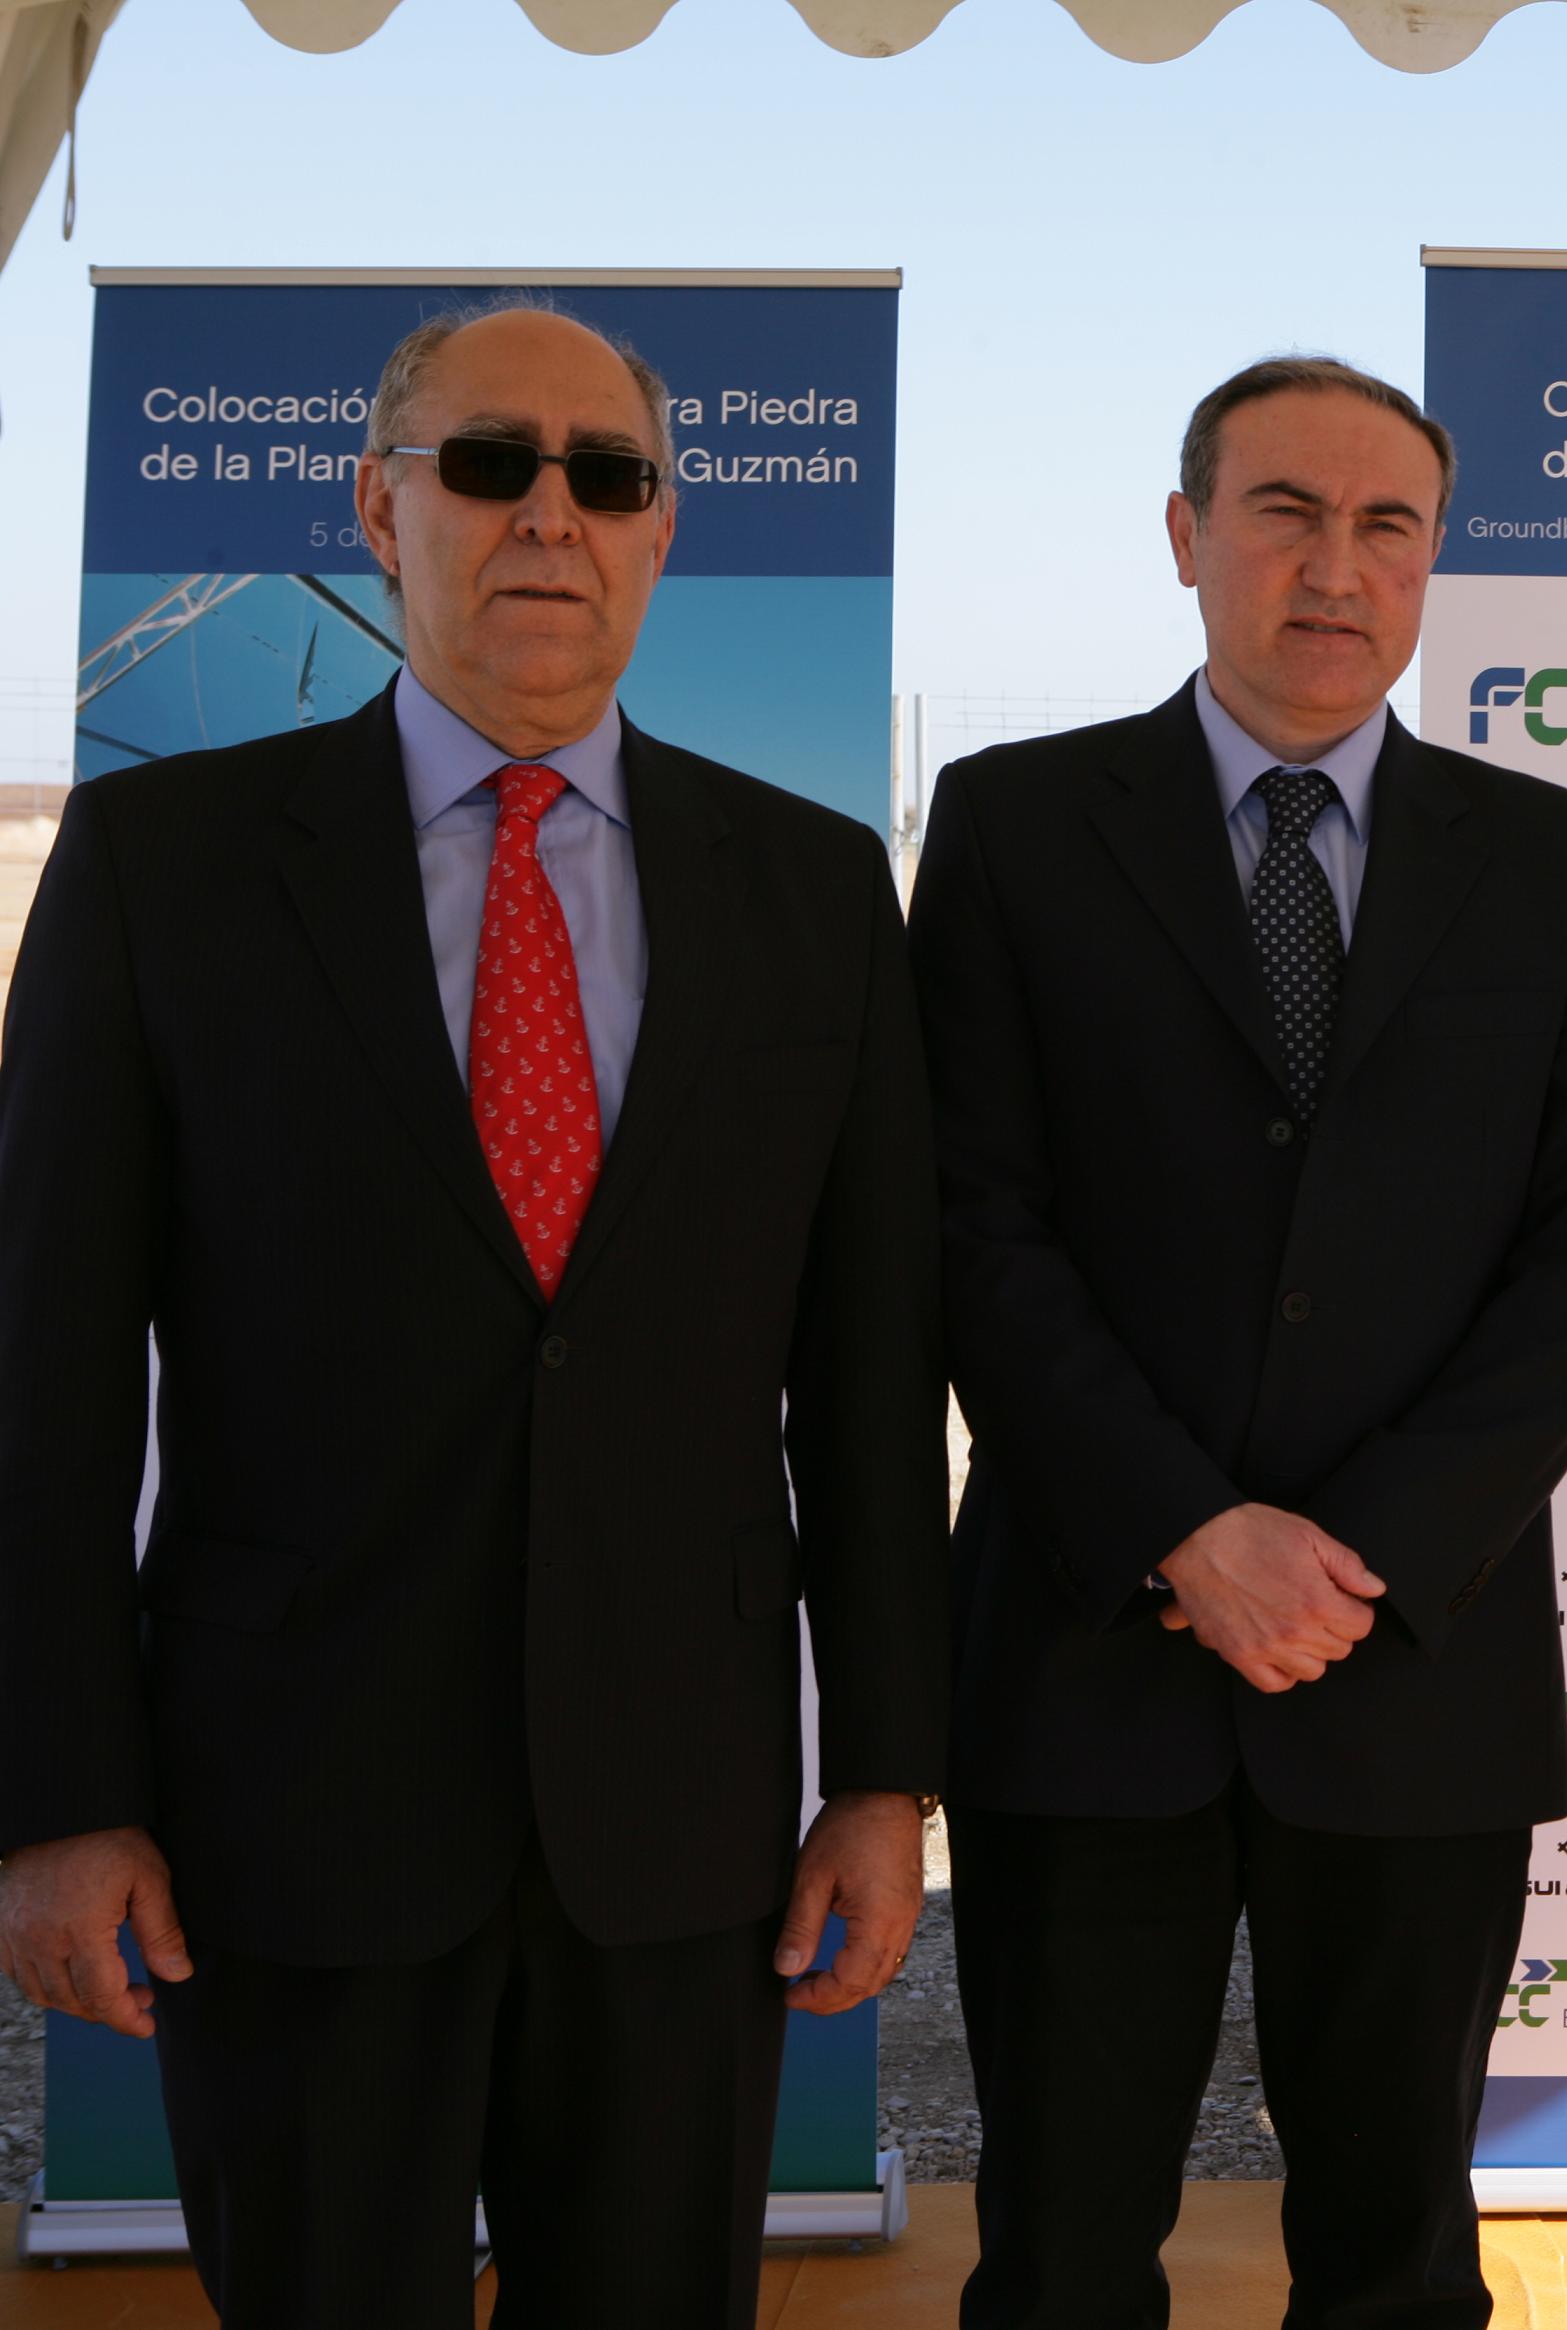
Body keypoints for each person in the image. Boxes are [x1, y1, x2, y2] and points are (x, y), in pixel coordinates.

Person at [0, 300, 949, 2328]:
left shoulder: (808, 884)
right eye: (486, 462)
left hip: (678, 1835)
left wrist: (881, 1770)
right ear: (377, 502)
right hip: (295, 1808)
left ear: (662, 529)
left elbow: (868, 1379)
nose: (549, 514)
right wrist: (62, 1798)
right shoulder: (164, 864)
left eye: (605, 475)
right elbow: (45, 1369)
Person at [913, 354, 1567, 2329]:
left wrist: (1373, 1552)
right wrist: (1184, 1524)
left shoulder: (1558, 864)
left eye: (1385, 524)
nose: (1335, 567)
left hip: (1409, 1661)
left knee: (1399, 2254)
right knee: (1063, 2246)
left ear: (1430, 565)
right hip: (1092, 1649)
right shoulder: (1009, 827)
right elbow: (973, 1223)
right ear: (1186, 539)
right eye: (1284, 513)